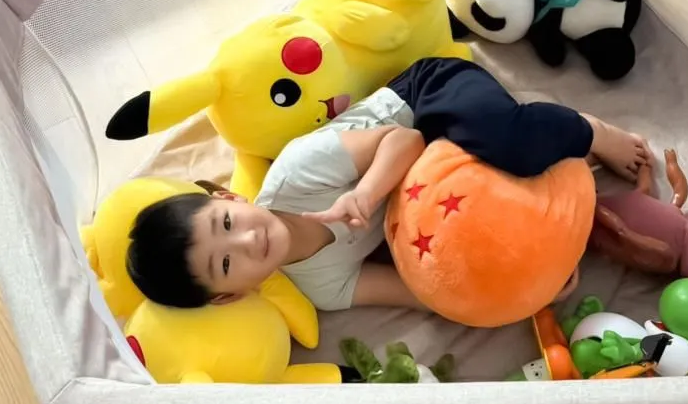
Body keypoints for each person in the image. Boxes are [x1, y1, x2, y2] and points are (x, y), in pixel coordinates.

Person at [125, 57, 651, 314]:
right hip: (435, 182)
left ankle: (591, 131)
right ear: (229, 295)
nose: (246, 239)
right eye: (225, 263)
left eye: (226, 223)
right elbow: (428, 292)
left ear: (228, 198)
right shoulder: (322, 288)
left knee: (508, 144)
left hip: (427, 104)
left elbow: (406, 140)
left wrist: (365, 193)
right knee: (504, 221)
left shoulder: (295, 172)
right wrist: (523, 291)